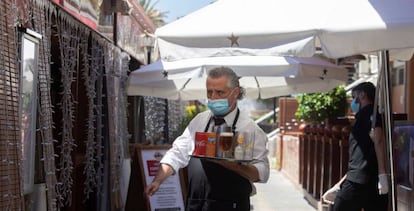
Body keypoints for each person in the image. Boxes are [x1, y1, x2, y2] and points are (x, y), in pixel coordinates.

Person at [145, 66, 270, 211]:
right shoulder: (199, 121)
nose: (213, 98)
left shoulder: (249, 129)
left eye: (219, 92)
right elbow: (177, 152)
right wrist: (158, 180)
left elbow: (263, 173)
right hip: (196, 204)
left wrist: (234, 166)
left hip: (232, 206)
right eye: (209, 92)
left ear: (235, 93)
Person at [332, 82, 389, 211]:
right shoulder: (364, 117)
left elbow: (379, 140)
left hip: (361, 180)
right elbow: (359, 156)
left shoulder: (371, 115)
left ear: (362, 95)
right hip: (364, 178)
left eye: (354, 97)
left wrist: (382, 173)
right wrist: (338, 185)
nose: (353, 102)